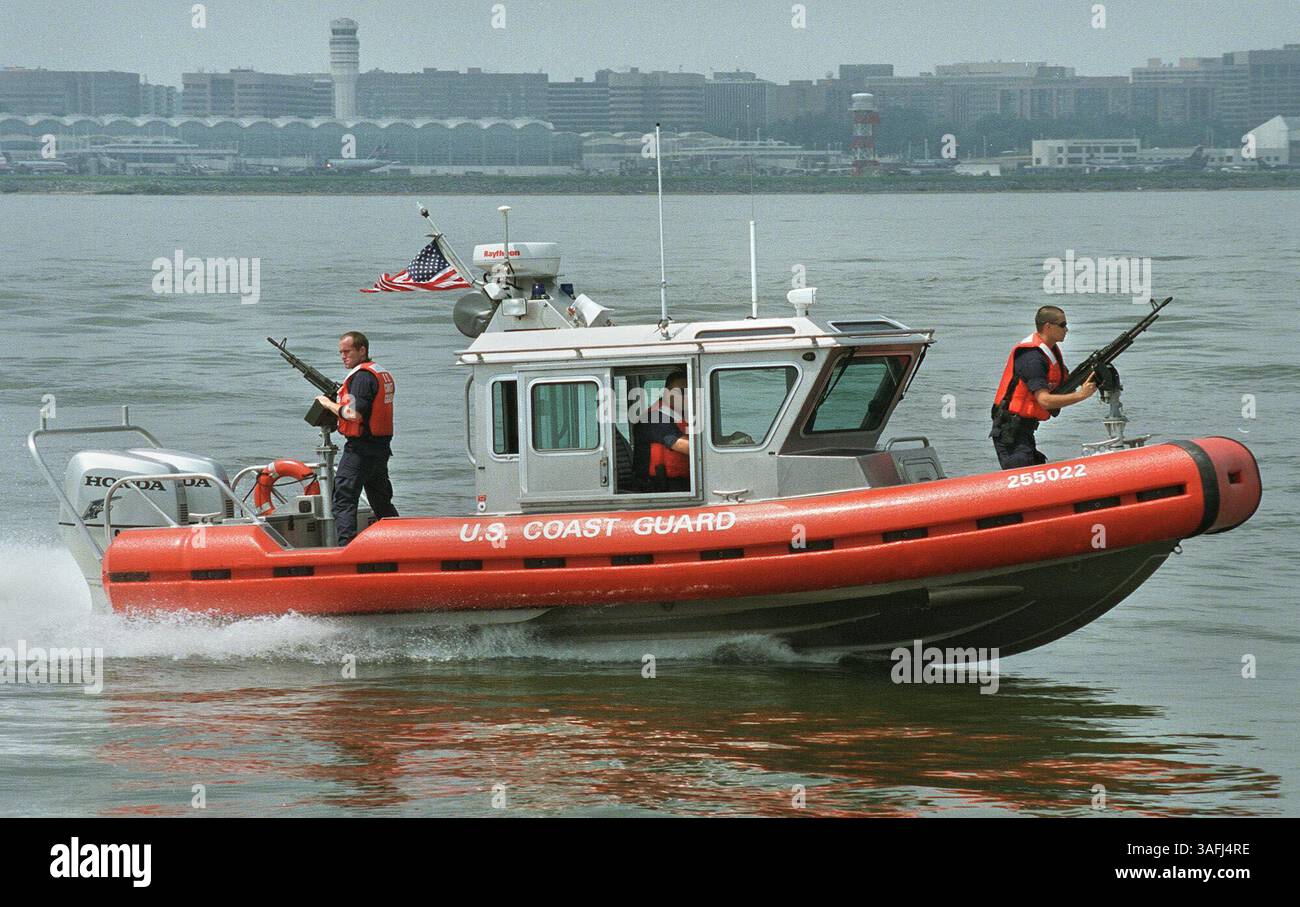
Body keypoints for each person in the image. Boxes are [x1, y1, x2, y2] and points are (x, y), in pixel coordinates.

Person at [314, 331, 399, 545]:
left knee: (343, 500)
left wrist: (327, 404)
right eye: (340, 352)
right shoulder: (379, 372)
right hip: (379, 448)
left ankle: (346, 547)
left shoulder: (361, 377)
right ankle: (398, 541)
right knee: (381, 502)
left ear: (362, 350)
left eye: (347, 351)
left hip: (361, 450)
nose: (343, 356)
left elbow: (354, 414)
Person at [990, 305, 1097, 469]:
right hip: (1010, 433)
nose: (1066, 329)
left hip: (1024, 430)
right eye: (1062, 325)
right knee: (1022, 478)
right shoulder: (1032, 357)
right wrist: (1082, 395)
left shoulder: (1049, 351)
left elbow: (1064, 382)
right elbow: (1045, 401)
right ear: (1048, 326)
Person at [641, 370, 692, 492]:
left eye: (688, 392)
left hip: (681, 482)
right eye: (680, 391)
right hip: (660, 486)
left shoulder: (681, 414)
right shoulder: (655, 417)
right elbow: (682, 445)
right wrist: (717, 450)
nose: (684, 396)